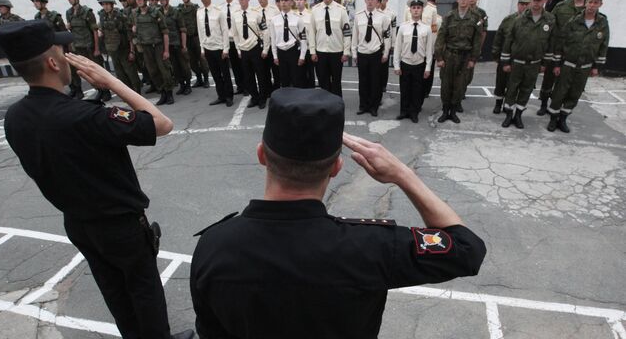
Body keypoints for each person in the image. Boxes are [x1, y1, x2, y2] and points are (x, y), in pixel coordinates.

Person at [190, 88, 486, 338]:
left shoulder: (214, 246)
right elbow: (466, 249)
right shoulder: (371, 247)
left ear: (261, 155)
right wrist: (402, 174)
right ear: (336, 168)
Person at [0, 19, 194, 339]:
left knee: (115, 293)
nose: (71, 53)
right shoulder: (84, 118)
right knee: (144, 292)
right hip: (121, 225)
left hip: (79, 223)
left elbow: (60, 141)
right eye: (63, 49)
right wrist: (112, 81)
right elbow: (161, 123)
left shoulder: (16, 118)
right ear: (53, 62)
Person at [548, 0, 609, 133]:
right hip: (568, 65)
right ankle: (553, 119)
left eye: (596, 2)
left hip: (585, 67)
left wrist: (596, 67)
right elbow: (561, 43)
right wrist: (557, 64)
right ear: (586, 3)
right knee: (559, 92)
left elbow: (603, 45)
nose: (592, 5)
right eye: (591, 2)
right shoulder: (574, 21)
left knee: (574, 94)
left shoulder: (602, 23)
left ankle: (563, 119)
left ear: (600, 4)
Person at [499, 0, 554, 129]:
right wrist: (505, 61)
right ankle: (509, 115)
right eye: (534, 0)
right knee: (512, 89)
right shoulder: (519, 19)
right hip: (517, 62)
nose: (536, 3)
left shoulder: (549, 20)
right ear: (531, 1)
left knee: (526, 90)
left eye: (539, 0)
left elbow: (550, 43)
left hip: (534, 64)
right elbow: (509, 41)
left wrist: (544, 63)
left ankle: (518, 115)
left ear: (544, 0)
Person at [537, 0, 591, 116]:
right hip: (556, 50)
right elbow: (550, 26)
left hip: (574, 53)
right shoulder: (561, 7)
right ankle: (544, 104)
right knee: (548, 80)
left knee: (566, 84)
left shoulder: (589, 9)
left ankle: (557, 109)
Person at [434, 0, 482, 124]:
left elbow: (477, 40)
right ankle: (445, 111)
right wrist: (439, 58)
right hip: (449, 56)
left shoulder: (476, 18)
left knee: (459, 86)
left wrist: (473, 59)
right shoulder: (449, 16)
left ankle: (453, 112)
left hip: (465, 57)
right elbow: (441, 37)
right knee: (446, 85)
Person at [63, 0, 109, 100]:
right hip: (79, 47)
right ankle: (99, 90)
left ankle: (106, 91)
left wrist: (97, 48)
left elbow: (94, 31)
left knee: (98, 70)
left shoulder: (87, 12)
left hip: (90, 46)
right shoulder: (69, 13)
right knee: (87, 72)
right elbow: (72, 30)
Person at [131, 0, 175, 106]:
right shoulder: (135, 14)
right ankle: (162, 93)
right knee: (153, 71)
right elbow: (135, 30)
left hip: (158, 46)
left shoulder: (156, 13)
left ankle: (169, 93)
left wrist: (166, 50)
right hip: (146, 48)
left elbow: (165, 32)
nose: (139, 1)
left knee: (164, 70)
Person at [308, 0, 352, 97]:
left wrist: (346, 52)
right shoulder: (315, 10)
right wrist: (312, 51)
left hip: (336, 52)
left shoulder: (341, 10)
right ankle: (325, 104)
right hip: (321, 51)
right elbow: (311, 32)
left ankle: (336, 104)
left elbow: (347, 33)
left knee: (336, 81)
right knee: (323, 80)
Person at [352, 0, 391, 117]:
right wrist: (354, 52)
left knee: (375, 82)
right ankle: (363, 105)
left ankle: (374, 106)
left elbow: (387, 36)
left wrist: (386, 53)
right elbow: (355, 36)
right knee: (363, 81)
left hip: (376, 53)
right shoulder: (359, 16)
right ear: (365, 0)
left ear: (377, 0)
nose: (370, 1)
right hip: (362, 53)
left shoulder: (383, 17)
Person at [394, 0, 433, 123]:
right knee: (404, 89)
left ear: (422, 10)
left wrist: (428, 67)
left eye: (418, 8)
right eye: (414, 8)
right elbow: (397, 47)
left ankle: (414, 112)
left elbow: (429, 50)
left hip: (419, 64)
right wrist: (396, 65)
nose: (416, 10)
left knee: (417, 90)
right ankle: (404, 111)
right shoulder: (403, 27)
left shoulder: (426, 28)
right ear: (410, 10)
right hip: (405, 63)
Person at [232, 0, 270, 109]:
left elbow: (265, 31)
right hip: (243, 49)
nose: (241, 0)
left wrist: (265, 49)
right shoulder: (235, 15)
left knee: (261, 74)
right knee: (248, 77)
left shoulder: (256, 14)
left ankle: (263, 98)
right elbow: (236, 34)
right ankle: (254, 97)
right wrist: (238, 48)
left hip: (255, 48)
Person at [196, 0, 233, 107]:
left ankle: (229, 96)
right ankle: (221, 96)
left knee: (225, 74)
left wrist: (226, 49)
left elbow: (225, 31)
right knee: (216, 74)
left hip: (219, 48)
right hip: (208, 48)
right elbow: (200, 31)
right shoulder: (199, 12)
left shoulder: (219, 12)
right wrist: (202, 48)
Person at [491, 0, 530, 114]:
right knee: (501, 82)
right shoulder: (508, 20)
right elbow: (498, 37)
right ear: (518, 5)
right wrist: (496, 55)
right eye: (521, 4)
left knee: (514, 84)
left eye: (526, 4)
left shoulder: (533, 22)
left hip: (521, 59)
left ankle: (508, 106)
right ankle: (498, 103)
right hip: (505, 57)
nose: (523, 7)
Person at [98, 0, 142, 96]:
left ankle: (137, 92)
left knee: (130, 71)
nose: (105, 6)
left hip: (123, 48)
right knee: (119, 73)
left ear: (112, 4)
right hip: (112, 48)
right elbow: (103, 32)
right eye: (103, 4)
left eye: (107, 4)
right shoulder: (102, 16)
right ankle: (127, 93)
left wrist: (132, 50)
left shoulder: (120, 16)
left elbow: (129, 34)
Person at [156, 0, 191, 98]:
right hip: (167, 44)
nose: (161, 1)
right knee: (174, 67)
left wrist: (184, 45)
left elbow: (183, 29)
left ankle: (188, 85)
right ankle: (181, 84)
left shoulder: (176, 12)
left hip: (177, 43)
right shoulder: (158, 12)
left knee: (184, 65)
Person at [270, 0, 308, 88]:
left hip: (293, 52)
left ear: (291, 2)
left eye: (286, 0)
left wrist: (302, 56)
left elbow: (303, 39)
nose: (283, 3)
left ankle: (297, 102)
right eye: (282, 0)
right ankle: (286, 103)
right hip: (281, 52)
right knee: (284, 80)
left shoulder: (298, 19)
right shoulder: (274, 20)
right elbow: (273, 40)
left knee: (296, 79)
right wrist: (275, 56)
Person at [177, 0, 211, 89]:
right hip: (187, 38)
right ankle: (199, 78)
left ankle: (205, 79)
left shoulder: (196, 8)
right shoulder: (179, 9)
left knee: (202, 59)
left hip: (197, 37)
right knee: (191, 60)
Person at [460, 0, 488, 109]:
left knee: (468, 73)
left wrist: (479, 48)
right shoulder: (461, 9)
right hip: (460, 46)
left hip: (472, 47)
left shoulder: (481, 13)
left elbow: (483, 32)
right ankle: (457, 94)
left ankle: (462, 90)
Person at [218, 0, 246, 95]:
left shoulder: (238, 6)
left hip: (238, 40)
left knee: (242, 65)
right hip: (227, 40)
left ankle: (246, 87)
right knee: (234, 65)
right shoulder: (221, 8)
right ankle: (239, 86)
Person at [252, 0, 281, 92]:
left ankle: (277, 88)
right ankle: (267, 89)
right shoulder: (254, 11)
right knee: (263, 69)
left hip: (273, 44)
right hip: (261, 45)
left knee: (276, 69)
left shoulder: (275, 10)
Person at [294, 0, 316, 88]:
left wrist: (312, 50)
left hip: (307, 49)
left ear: (305, 1)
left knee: (310, 73)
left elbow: (312, 34)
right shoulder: (292, 15)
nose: (298, 1)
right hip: (296, 49)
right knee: (298, 74)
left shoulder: (311, 15)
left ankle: (310, 93)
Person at [378, 0, 397, 94]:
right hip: (375, 43)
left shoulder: (392, 14)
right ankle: (376, 85)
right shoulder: (374, 12)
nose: (381, 1)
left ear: (387, 0)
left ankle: (383, 85)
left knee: (384, 67)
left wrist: (393, 44)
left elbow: (394, 30)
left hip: (387, 43)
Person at [423, 0, 441, 99]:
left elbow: (438, 36)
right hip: (422, 48)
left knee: (429, 70)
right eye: (429, 2)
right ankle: (424, 90)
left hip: (432, 48)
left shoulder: (439, 19)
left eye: (432, 3)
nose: (430, 5)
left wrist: (436, 51)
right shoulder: (423, 15)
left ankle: (426, 91)